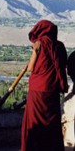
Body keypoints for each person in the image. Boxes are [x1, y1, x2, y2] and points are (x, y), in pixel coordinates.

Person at [21, 20, 68, 151]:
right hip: (52, 90)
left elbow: (31, 68)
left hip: (37, 90)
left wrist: (34, 52)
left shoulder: (39, 44)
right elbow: (62, 66)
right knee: (51, 122)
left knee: (34, 121)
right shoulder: (60, 46)